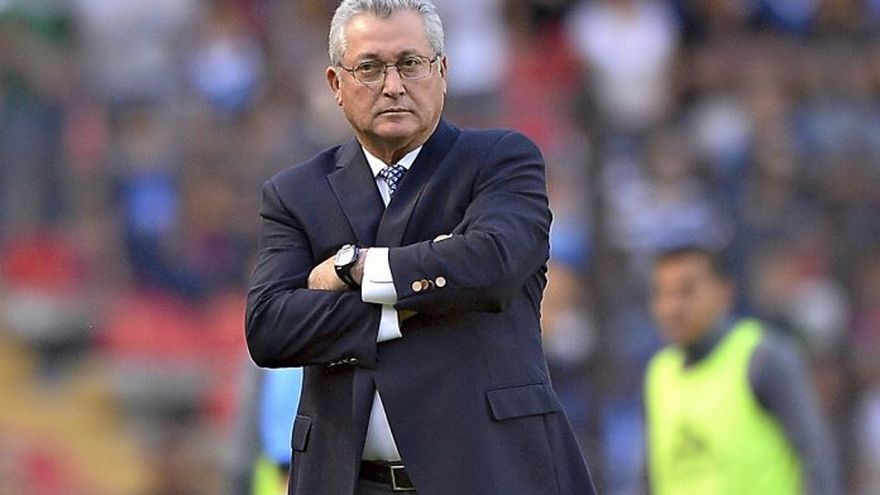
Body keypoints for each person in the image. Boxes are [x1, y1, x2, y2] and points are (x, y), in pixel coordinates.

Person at [244, 1, 596, 494]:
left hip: (492, 477)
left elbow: (492, 266)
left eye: (410, 63)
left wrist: (353, 268)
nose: (393, 85)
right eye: (369, 67)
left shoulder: (501, 162)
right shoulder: (296, 193)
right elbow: (269, 327)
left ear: (442, 72)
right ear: (335, 84)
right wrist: (417, 298)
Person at [644, 246, 841, 495]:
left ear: (725, 292)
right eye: (662, 293)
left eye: (687, 291)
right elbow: (650, 477)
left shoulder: (761, 358)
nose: (671, 307)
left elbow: (817, 458)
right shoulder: (659, 374)